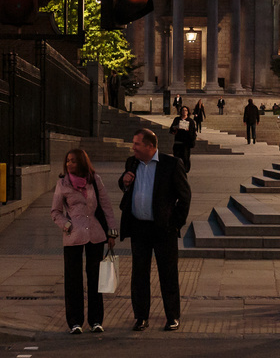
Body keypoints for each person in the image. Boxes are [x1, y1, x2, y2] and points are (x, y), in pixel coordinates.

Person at [118, 127, 192, 332]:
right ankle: (141, 317)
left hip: (163, 229)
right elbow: (124, 184)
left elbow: (185, 196)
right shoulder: (132, 162)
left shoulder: (171, 164)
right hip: (139, 227)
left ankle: (172, 317)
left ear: (151, 146)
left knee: (168, 274)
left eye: (137, 144)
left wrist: (175, 223)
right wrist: (123, 182)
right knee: (139, 275)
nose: (133, 147)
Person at [51, 148, 117, 334]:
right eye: (67, 161)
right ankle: (75, 322)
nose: (69, 164)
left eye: (73, 161)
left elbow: (106, 207)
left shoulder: (95, 180)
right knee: (73, 279)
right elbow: (55, 211)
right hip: (73, 236)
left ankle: (96, 320)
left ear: (81, 162)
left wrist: (112, 232)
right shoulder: (62, 183)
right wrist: (66, 226)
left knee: (96, 278)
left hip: (95, 234)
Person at [169, 106, 197, 172]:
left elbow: (193, 132)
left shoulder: (190, 121)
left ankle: (185, 170)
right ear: (181, 112)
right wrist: (175, 128)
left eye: (186, 110)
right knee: (177, 156)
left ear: (188, 112)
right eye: (183, 110)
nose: (184, 112)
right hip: (178, 141)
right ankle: (177, 169)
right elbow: (171, 129)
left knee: (185, 157)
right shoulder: (177, 119)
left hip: (186, 142)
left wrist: (188, 131)